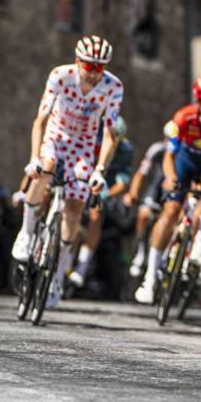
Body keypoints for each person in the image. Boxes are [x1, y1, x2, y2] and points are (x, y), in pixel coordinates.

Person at [10, 35, 123, 310]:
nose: (95, 73)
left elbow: (110, 134)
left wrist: (100, 169)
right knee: (45, 169)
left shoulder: (113, 86)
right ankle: (26, 234)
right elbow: (41, 120)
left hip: (83, 147)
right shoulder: (60, 76)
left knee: (74, 209)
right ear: (78, 61)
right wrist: (34, 158)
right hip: (56, 138)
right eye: (89, 66)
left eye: (100, 67)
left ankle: (58, 273)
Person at [134, 77, 201, 304]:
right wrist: (171, 179)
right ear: (198, 102)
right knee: (171, 210)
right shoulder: (183, 118)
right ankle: (150, 277)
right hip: (185, 161)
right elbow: (169, 156)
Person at [68, 116, 134, 289]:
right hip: (82, 180)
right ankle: (64, 259)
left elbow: (123, 182)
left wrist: (106, 194)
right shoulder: (92, 137)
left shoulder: (125, 150)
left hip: (102, 189)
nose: (112, 142)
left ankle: (81, 269)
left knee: (96, 216)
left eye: (116, 139)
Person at [124, 138, 168, 278]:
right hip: (155, 189)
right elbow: (141, 174)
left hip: (173, 192)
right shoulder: (157, 149)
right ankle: (141, 252)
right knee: (143, 214)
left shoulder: (184, 151)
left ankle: (163, 256)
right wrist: (133, 193)